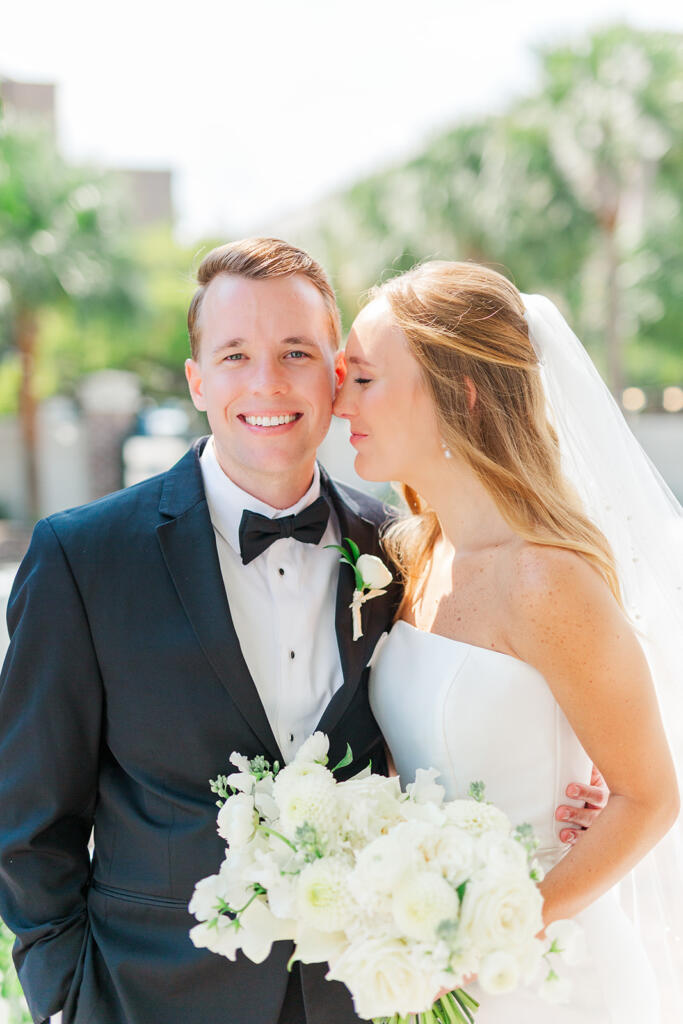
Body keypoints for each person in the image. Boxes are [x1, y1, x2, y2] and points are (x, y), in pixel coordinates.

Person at [0, 239, 601, 1024]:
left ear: (335, 373)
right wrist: (67, 1001)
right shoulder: (84, 558)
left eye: (295, 352)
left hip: (367, 999)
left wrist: (564, 801)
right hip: (145, 999)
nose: (267, 383)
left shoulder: (407, 550)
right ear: (197, 380)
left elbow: (454, 731)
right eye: (235, 354)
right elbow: (28, 823)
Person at [334, 259, 682, 1021]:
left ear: (456, 395)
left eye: (363, 379)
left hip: (546, 974)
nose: (339, 403)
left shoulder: (542, 579)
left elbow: (648, 796)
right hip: (431, 969)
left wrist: (484, 939)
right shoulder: (413, 558)